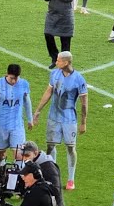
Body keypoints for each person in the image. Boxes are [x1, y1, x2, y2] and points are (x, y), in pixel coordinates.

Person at [32, 51, 88, 190]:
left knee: (70, 147)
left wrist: (83, 122)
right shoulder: (55, 74)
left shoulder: (79, 79)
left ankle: (70, 179)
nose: (56, 62)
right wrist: (38, 110)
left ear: (66, 62)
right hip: (53, 117)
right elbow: (48, 92)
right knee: (50, 146)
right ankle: (53, 175)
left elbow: (84, 103)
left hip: (69, 119)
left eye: (58, 60)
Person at [0, 64, 33, 168]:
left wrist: (30, 119)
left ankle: (16, 179)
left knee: (19, 154)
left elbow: (27, 101)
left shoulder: (24, 84)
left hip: (17, 124)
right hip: (2, 124)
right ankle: (1, 171)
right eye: (12, 78)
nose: (14, 81)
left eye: (16, 78)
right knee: (0, 153)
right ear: (7, 74)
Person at [42, 0, 76, 69]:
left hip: (66, 16)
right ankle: (55, 58)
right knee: (48, 34)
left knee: (65, 40)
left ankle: (65, 65)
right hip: (52, 15)